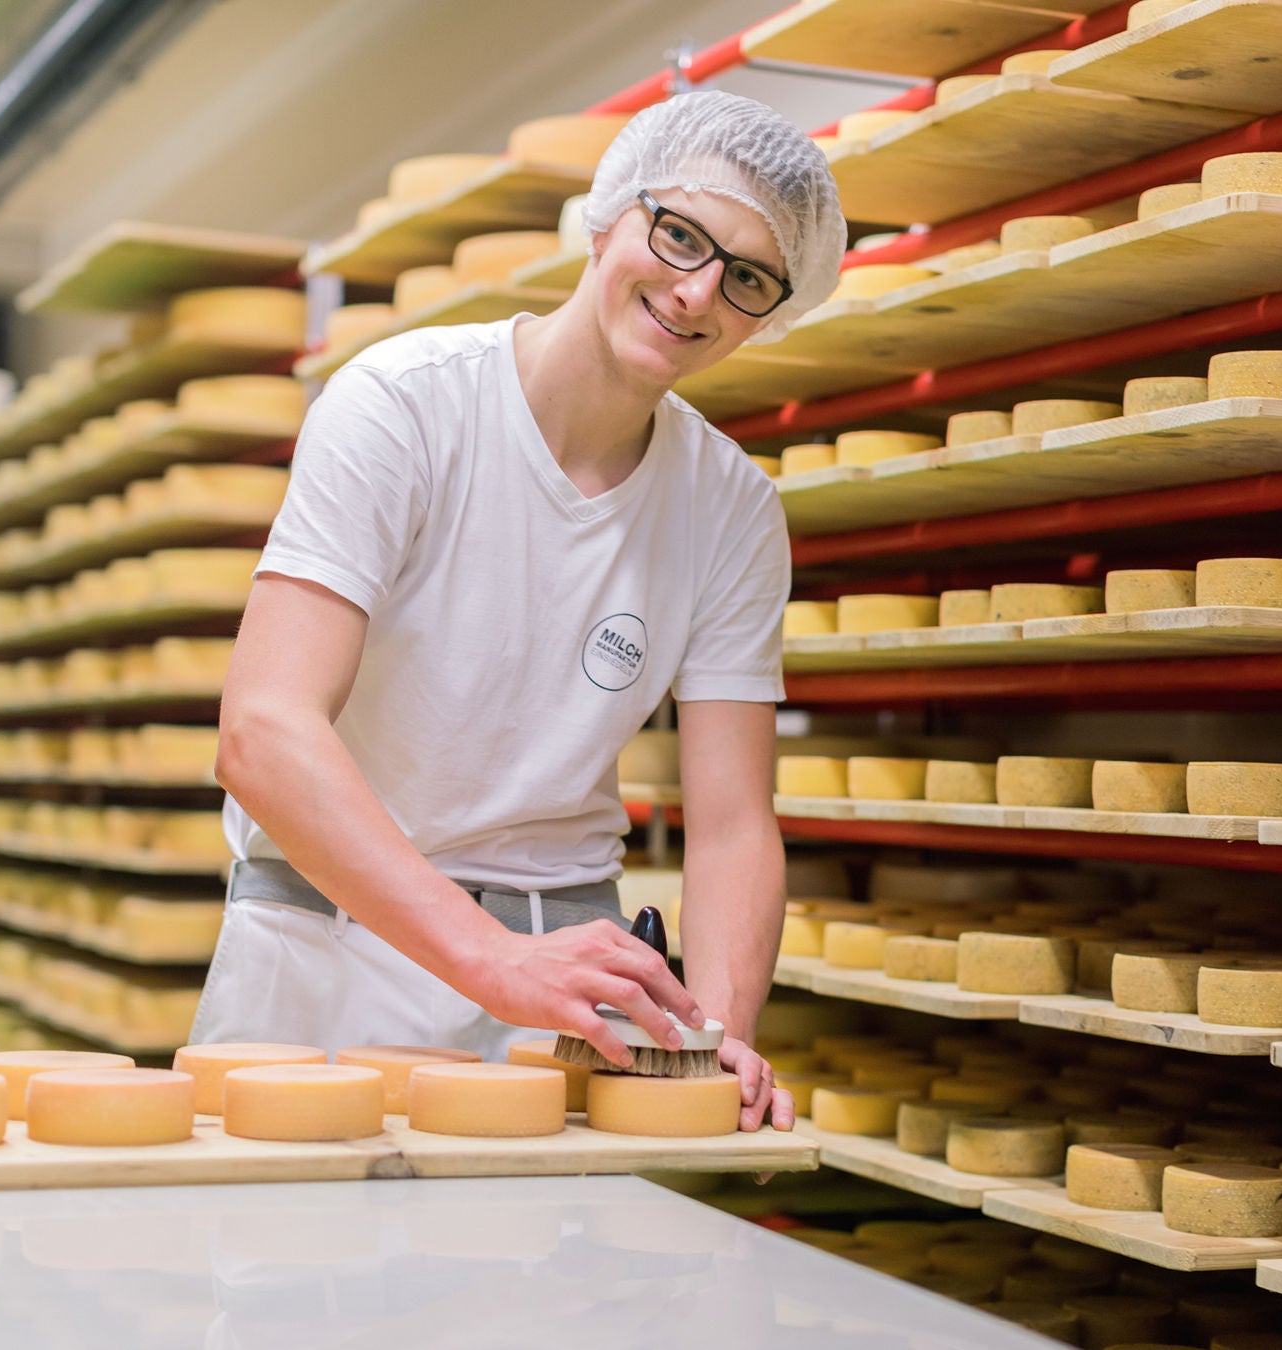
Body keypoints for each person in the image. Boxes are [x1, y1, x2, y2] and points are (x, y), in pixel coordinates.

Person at [192, 91, 847, 1133]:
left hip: (565, 1000)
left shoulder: (730, 510)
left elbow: (729, 826)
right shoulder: (403, 407)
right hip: (323, 957)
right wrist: (485, 958)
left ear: (767, 312)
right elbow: (262, 733)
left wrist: (705, 1039)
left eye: (746, 277)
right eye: (677, 234)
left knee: (541, 1295)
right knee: (289, 1286)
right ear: (606, 216)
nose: (694, 291)